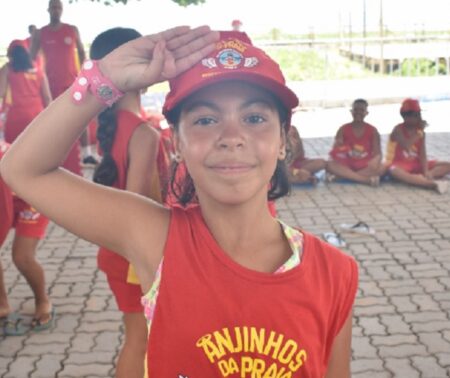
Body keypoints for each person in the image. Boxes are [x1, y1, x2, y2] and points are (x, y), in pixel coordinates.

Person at [1, 26, 358, 377]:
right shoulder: (156, 239)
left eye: (254, 118)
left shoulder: (335, 274)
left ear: (283, 140)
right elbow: (24, 169)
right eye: (206, 119)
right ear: (178, 144)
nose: (232, 137)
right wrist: (103, 78)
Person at [90, 27, 163, 378]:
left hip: (116, 252)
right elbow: (137, 209)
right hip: (135, 258)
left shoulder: (111, 124)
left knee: (137, 338)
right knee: (141, 341)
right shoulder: (144, 133)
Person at [0, 42, 54, 335]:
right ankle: (2, 305)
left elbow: (49, 103)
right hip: (6, 193)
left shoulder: (14, 71)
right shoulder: (28, 71)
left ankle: (43, 301)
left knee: (21, 256)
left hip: (30, 189)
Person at [29, 0, 96, 174]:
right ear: (48, 9)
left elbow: (82, 52)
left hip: (72, 82)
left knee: (80, 115)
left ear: (62, 10)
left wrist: (86, 73)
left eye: (59, 7)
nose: (56, 10)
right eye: (53, 7)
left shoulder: (72, 30)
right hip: (50, 85)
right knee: (54, 120)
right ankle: (57, 156)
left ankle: (87, 153)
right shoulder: (40, 33)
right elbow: (32, 57)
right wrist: (35, 80)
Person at [385, 98, 450, 194]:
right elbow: (407, 145)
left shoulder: (420, 131)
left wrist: (426, 171)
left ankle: (425, 178)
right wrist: (420, 132)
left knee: (447, 165)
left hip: (416, 163)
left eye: (418, 114)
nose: (419, 117)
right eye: (415, 115)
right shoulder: (398, 129)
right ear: (405, 116)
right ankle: (430, 184)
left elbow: (422, 154)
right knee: (394, 171)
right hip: (399, 164)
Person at [326, 98, 385, 186]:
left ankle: (343, 176)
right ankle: (365, 180)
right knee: (329, 165)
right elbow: (335, 152)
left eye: (361, 110)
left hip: (365, 164)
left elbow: (378, 154)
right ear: (351, 112)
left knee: (383, 167)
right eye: (355, 110)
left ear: (366, 113)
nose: (358, 113)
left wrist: (375, 161)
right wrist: (339, 147)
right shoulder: (343, 129)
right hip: (346, 163)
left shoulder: (373, 130)